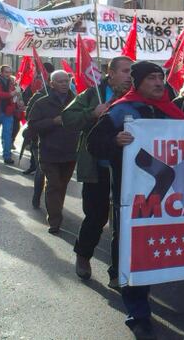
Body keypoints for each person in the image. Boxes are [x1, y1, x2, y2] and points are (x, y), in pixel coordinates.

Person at [87, 61, 184, 339]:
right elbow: (93, 145)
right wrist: (115, 141)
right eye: (152, 78)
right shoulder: (121, 110)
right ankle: (138, 313)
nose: (158, 82)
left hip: (174, 198)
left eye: (161, 77)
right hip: (134, 196)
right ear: (139, 82)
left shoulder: (174, 110)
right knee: (136, 251)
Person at [63, 55, 132, 287]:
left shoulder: (138, 96)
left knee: (123, 221)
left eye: (132, 71)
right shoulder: (93, 94)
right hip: (98, 167)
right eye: (124, 71)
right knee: (96, 216)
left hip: (129, 170)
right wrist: (92, 113)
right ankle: (83, 255)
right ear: (110, 73)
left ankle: (117, 271)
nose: (129, 76)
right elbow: (68, 118)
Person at [27, 71, 78, 234]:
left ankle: (57, 210)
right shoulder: (42, 103)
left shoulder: (77, 100)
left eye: (67, 80)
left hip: (70, 152)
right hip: (49, 152)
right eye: (60, 81)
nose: (64, 84)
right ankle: (55, 220)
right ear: (52, 84)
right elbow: (32, 125)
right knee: (54, 184)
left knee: (62, 185)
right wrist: (52, 122)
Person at [21, 62, 56, 175]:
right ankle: (34, 166)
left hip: (54, 128)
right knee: (35, 147)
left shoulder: (63, 93)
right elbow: (29, 108)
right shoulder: (37, 88)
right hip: (39, 127)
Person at [0, 65, 21, 164]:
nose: (8, 74)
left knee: (7, 135)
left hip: (8, 112)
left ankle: (7, 156)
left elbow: (15, 96)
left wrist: (18, 100)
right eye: (6, 72)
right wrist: (11, 94)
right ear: (1, 72)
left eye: (9, 72)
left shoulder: (12, 82)